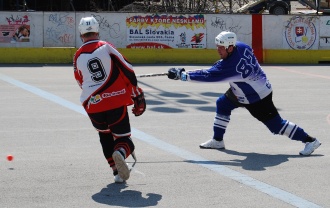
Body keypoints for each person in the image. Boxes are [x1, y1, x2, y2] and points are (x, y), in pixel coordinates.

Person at [167, 31, 321, 156]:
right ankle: (218, 140)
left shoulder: (230, 67)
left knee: (276, 126)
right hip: (242, 90)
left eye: (221, 47)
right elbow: (220, 67)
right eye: (218, 46)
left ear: (230, 47)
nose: (218, 50)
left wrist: (183, 75)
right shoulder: (242, 46)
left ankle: (310, 140)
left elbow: (209, 75)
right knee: (222, 104)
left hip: (256, 97)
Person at [73, 17, 146, 183]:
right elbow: (127, 68)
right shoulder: (106, 47)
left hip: (92, 105)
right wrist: (136, 93)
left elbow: (80, 81)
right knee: (124, 140)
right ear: (97, 30)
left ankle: (117, 172)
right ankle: (120, 153)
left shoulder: (77, 55)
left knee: (105, 137)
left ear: (81, 34)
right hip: (115, 102)